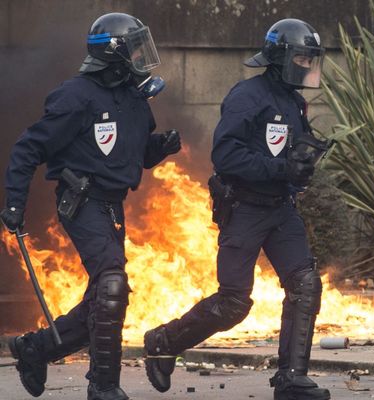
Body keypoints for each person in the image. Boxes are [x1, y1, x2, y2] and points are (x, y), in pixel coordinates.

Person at [143, 18, 331, 400]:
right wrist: (281, 167)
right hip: (245, 208)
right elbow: (226, 154)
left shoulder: (295, 102)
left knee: (305, 284)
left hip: (281, 208)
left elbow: (285, 153)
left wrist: (302, 167)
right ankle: (163, 341)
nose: (306, 66)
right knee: (233, 302)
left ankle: (291, 380)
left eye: (310, 60)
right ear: (280, 58)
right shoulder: (247, 96)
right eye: (301, 58)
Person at [0, 13, 181, 400]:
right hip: (80, 201)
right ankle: (103, 386)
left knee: (105, 297)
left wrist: (159, 148)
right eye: (133, 48)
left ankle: (35, 350)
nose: (140, 55)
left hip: (113, 207)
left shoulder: (134, 98)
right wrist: (14, 204)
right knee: (112, 285)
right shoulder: (75, 96)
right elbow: (29, 148)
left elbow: (128, 155)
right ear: (114, 54)